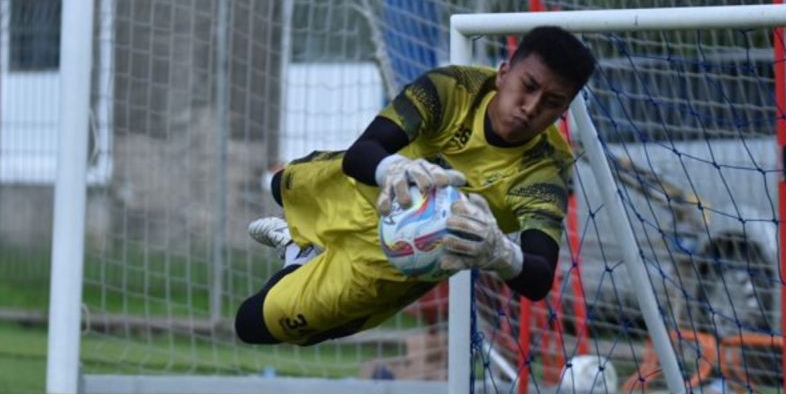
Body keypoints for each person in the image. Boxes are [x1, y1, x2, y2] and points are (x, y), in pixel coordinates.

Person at [235, 25, 597, 347]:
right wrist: (396, 169)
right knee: (281, 183)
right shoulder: (454, 88)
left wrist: (501, 252)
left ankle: (295, 258)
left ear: (563, 110)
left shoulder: (544, 170)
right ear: (504, 74)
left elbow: (539, 277)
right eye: (528, 86)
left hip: (382, 265)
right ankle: (299, 243)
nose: (531, 107)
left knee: (250, 323)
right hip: (351, 188)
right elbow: (361, 153)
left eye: (552, 103)